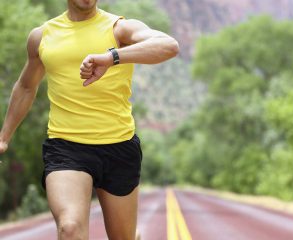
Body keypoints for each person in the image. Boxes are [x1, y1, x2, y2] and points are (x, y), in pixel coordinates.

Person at [0, 0, 179, 239]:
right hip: (66, 147)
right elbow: (25, 87)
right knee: (70, 228)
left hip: (118, 145)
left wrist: (112, 57)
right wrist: (3, 137)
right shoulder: (42, 36)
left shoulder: (118, 28)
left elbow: (169, 46)